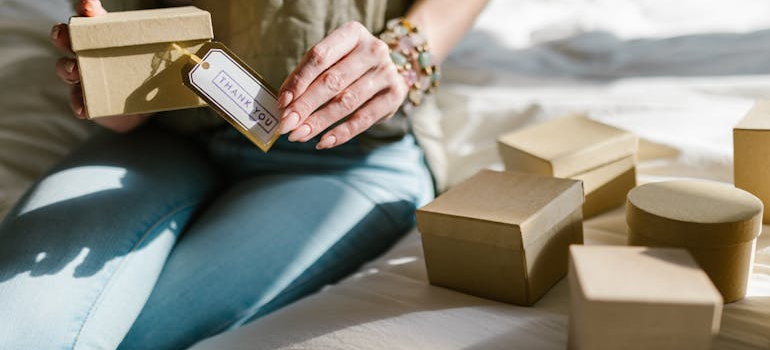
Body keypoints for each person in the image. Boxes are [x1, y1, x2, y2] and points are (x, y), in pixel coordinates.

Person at [0, 0, 487, 349]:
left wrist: (406, 54)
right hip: (164, 130)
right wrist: (111, 68)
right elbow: (111, 37)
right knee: (18, 321)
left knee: (139, 337)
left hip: (345, 152)